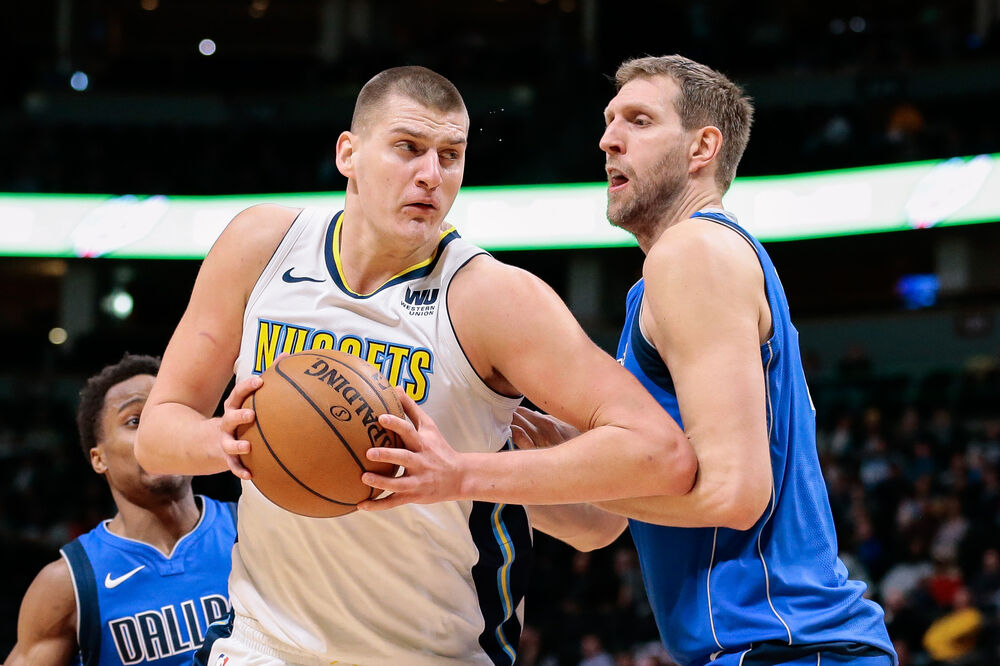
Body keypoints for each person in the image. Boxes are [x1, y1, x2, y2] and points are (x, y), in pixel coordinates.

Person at [134, 65, 696, 666]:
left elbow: (660, 453)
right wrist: (228, 442)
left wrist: (460, 474)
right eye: (408, 148)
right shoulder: (261, 245)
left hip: (435, 652)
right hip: (262, 644)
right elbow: (157, 437)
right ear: (348, 153)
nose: (431, 175)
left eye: (450, 155)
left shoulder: (492, 298)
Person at [360, 56, 898, 665]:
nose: (607, 139)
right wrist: (512, 453)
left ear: (703, 148)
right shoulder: (671, 275)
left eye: (638, 121)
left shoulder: (693, 253)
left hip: (786, 644)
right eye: (610, 121)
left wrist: (468, 475)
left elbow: (735, 494)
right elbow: (597, 527)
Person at [5, 353, 238, 666]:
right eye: (135, 421)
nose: (157, 434)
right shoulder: (67, 584)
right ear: (98, 458)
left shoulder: (252, 529)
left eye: (166, 419)